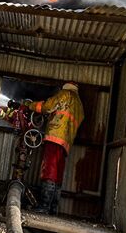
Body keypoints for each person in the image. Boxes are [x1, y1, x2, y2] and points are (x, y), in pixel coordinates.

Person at [27, 82, 84, 214]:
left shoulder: (65, 94)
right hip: (66, 143)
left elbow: (47, 107)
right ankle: (53, 209)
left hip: (54, 138)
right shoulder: (79, 105)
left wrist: (30, 105)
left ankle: (44, 206)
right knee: (57, 175)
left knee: (49, 171)